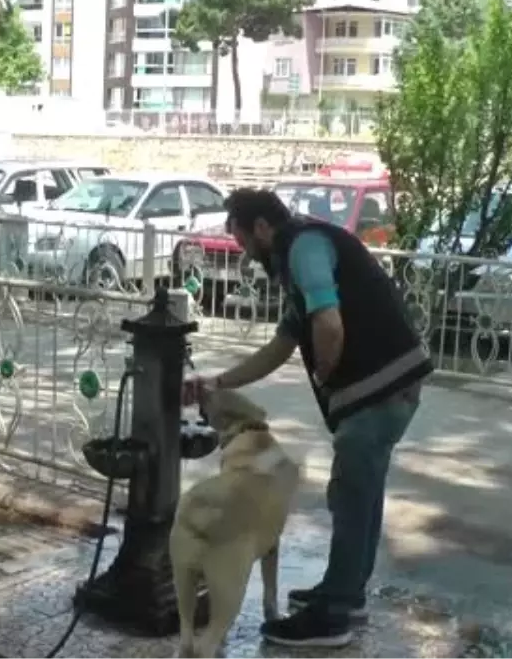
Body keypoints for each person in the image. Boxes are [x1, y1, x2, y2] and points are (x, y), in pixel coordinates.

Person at [182, 188, 434, 648]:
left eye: (241, 238)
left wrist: (326, 370)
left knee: (352, 494)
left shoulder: (304, 248)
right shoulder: (299, 254)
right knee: (361, 491)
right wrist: (219, 384)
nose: (243, 250)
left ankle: (332, 615)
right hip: (393, 384)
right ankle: (347, 593)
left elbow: (329, 323)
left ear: (261, 227)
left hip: (380, 387)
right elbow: (280, 346)